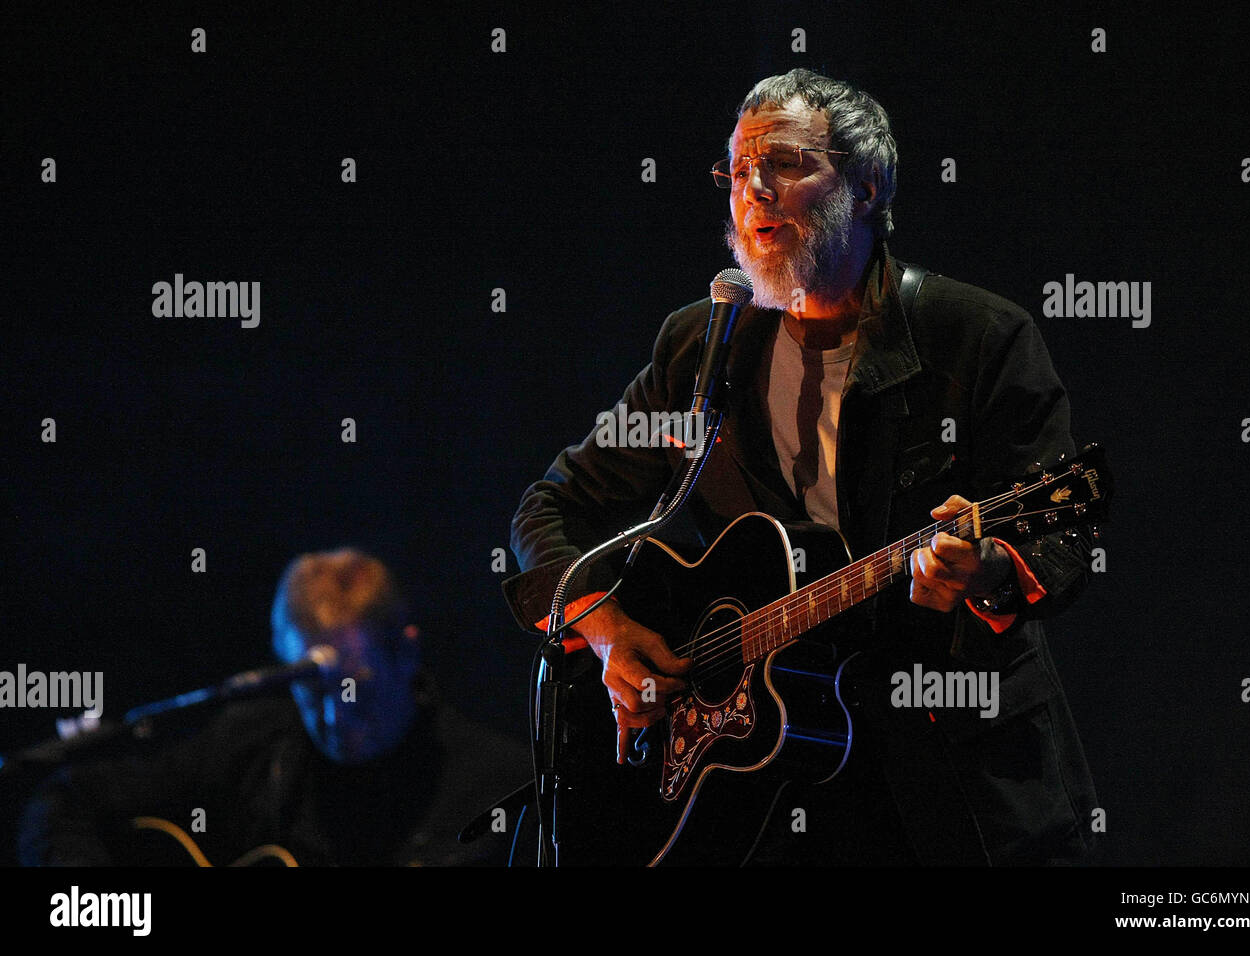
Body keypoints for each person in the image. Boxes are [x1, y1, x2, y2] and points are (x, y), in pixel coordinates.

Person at [506, 69, 1099, 865]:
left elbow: (1055, 542)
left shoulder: (976, 336)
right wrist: (607, 632)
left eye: (783, 163)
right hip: (776, 790)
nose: (753, 190)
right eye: (736, 170)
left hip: (957, 782)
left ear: (867, 184)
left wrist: (985, 567)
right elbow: (550, 510)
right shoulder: (699, 347)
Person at [20, 549, 530, 866]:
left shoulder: (496, 790)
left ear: (407, 651)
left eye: (357, 686)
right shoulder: (250, 745)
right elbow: (64, 801)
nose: (335, 719)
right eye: (311, 690)